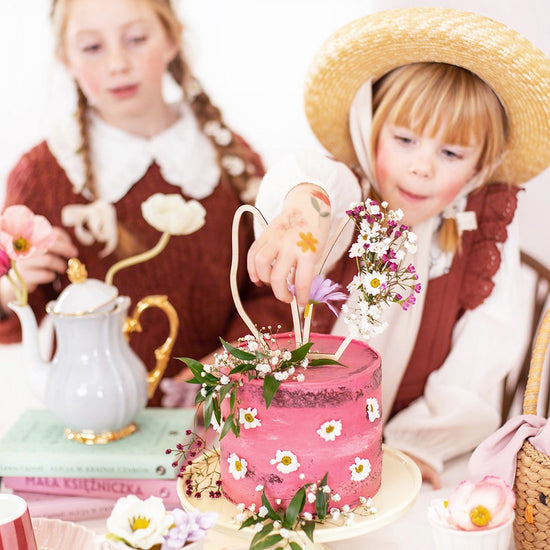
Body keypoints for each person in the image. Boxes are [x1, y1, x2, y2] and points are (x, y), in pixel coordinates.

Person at [247, 7, 550, 488]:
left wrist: (417, 444)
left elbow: (487, 351)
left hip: (414, 455)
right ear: (371, 128)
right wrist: (307, 202)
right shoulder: (352, 198)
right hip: (293, 438)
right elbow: (320, 183)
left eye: (451, 153)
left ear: (480, 165)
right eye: (405, 139)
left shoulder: (480, 229)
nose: (422, 167)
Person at [0, 0, 290, 406]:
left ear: (172, 39)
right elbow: (15, 325)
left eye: (136, 39)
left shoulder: (229, 159)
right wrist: (10, 287)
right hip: (90, 418)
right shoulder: (43, 174)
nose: (118, 63)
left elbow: (274, 295)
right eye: (92, 47)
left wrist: (233, 361)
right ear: (65, 57)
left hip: (216, 417)